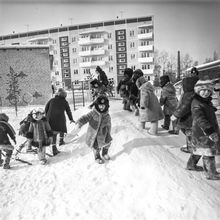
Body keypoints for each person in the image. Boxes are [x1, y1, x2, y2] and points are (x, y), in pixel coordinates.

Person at [186, 79, 220, 180]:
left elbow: (205, 111)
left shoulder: (204, 101)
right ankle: (210, 173)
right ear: (197, 90)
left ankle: (191, 165)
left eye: (208, 91)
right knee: (208, 152)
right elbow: (200, 119)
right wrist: (210, 131)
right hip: (203, 133)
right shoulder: (196, 103)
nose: (206, 93)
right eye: (203, 90)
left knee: (199, 150)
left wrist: (211, 108)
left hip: (199, 133)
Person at [72, 95, 112, 164]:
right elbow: (85, 118)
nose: (101, 107)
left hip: (104, 133)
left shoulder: (107, 115)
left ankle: (104, 153)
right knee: (96, 146)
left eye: (103, 105)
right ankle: (97, 157)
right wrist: (79, 123)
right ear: (97, 105)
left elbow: (109, 125)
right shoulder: (93, 113)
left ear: (106, 105)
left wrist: (108, 132)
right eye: (100, 105)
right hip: (95, 134)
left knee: (108, 143)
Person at [172, 67, 199, 153]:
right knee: (190, 131)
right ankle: (192, 145)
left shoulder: (189, 94)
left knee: (188, 131)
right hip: (195, 116)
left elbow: (185, 106)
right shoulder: (196, 92)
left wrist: (176, 114)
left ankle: (190, 147)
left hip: (188, 117)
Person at [45, 88, 75, 156]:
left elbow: (46, 108)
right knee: (61, 128)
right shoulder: (65, 102)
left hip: (50, 119)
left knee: (53, 133)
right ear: (64, 96)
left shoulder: (51, 100)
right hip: (59, 118)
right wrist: (71, 119)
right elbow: (68, 111)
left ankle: (55, 146)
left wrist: (46, 117)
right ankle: (57, 146)